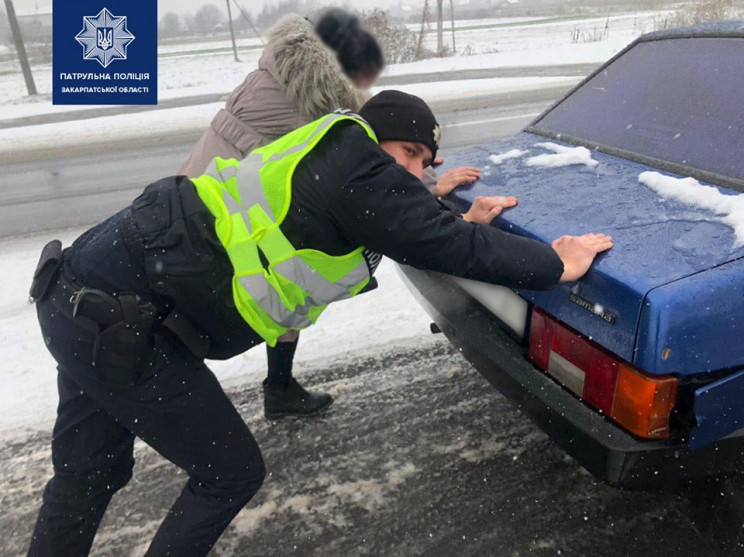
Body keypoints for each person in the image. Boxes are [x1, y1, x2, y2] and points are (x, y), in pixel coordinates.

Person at [27, 90, 612, 556]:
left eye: (427, 162)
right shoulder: (357, 169)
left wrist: (440, 203)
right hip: (121, 321)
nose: (417, 169)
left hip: (79, 289)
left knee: (88, 475)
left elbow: (387, 221)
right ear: (377, 135)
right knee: (229, 473)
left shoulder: (330, 152)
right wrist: (556, 264)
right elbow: (444, 246)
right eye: (410, 153)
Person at [178, 9, 485, 420]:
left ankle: (275, 389)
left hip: (203, 190)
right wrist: (428, 185)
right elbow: (362, 161)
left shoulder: (277, 70)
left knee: (279, 282)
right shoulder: (311, 94)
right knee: (218, 301)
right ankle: (204, 415)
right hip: (219, 211)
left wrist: (418, 163)